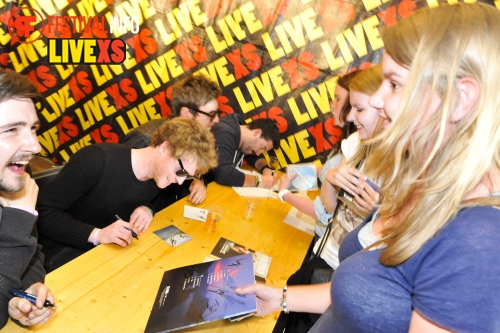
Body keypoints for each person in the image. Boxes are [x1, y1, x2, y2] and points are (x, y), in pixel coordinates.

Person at [237, 3, 500, 332]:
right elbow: (369, 291)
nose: (377, 102)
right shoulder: (419, 186)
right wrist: (281, 298)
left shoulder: (477, 239)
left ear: (461, 99)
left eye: (394, 84)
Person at [274, 65, 382, 333]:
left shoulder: (404, 159)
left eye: (358, 108)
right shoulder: (354, 142)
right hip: (324, 254)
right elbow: (328, 200)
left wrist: (380, 211)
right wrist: (330, 178)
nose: (346, 113)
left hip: (348, 272)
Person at [37, 118, 218, 272]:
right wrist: (97, 235)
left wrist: (147, 209)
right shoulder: (96, 160)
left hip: (106, 256)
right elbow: (43, 213)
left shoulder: (161, 178)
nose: (180, 181)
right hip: (60, 258)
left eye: (187, 176)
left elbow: (156, 201)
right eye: (180, 172)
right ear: (165, 147)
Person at [0, 69, 56, 328]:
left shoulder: (16, 176)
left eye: (33, 128)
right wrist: (17, 220)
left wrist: (28, 290)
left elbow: (32, 251)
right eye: (11, 129)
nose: (35, 146)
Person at [277, 71, 357, 240]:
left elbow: (325, 211)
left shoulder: (355, 150)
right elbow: (325, 170)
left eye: (337, 99)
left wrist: (284, 193)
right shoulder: (348, 142)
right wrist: (292, 175)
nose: (331, 105)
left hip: (324, 240)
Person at [123, 74, 222, 207]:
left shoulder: (193, 142)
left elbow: (181, 172)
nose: (216, 120)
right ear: (186, 114)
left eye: (217, 113)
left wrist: (196, 182)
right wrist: (148, 209)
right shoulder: (142, 140)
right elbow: (120, 196)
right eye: (211, 114)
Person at [211, 114, 280, 188]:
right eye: (262, 147)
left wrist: (266, 168)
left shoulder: (244, 135)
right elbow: (222, 173)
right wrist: (259, 181)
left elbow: (255, 157)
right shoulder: (224, 133)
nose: (258, 153)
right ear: (256, 133)